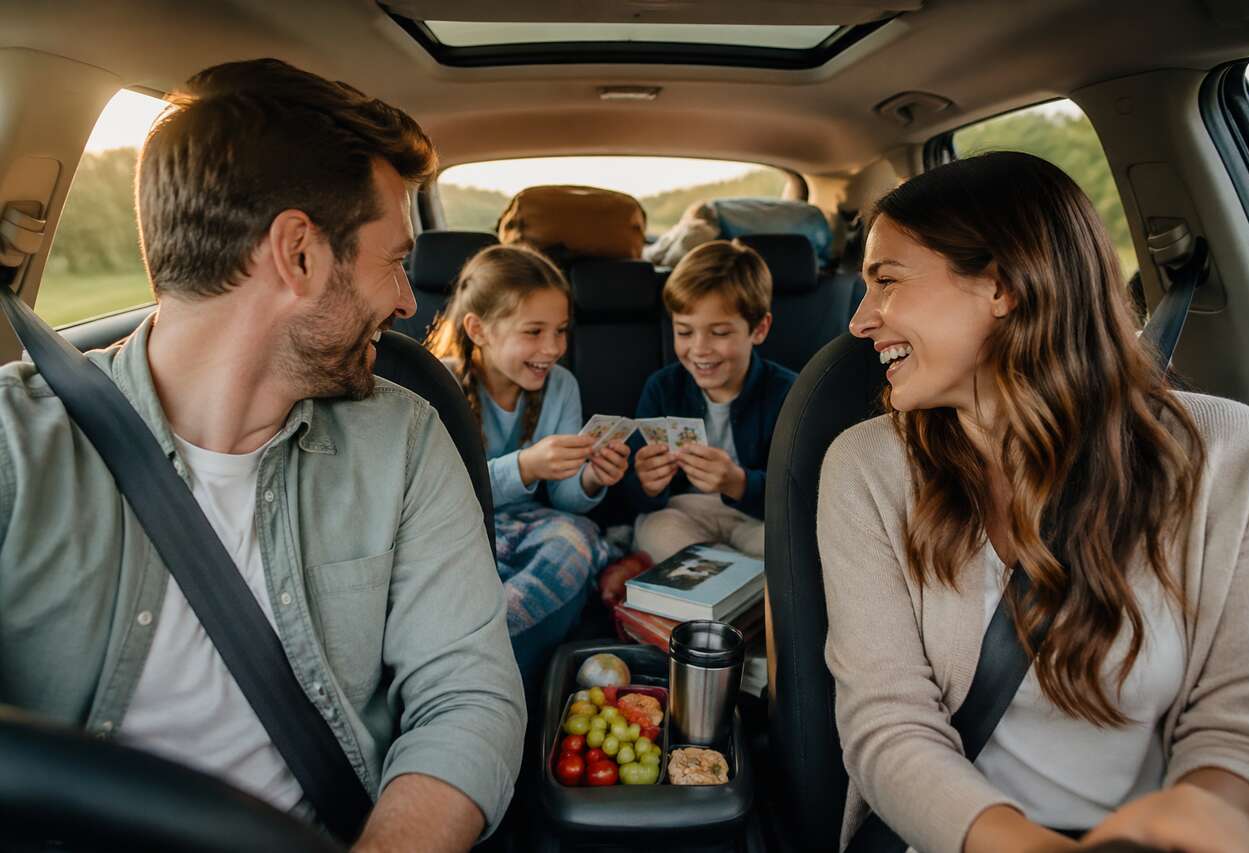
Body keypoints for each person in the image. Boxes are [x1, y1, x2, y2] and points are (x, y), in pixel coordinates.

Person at [0, 59, 525, 852]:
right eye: (393, 260)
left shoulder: (407, 440)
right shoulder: (12, 449)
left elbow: (469, 695)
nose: (408, 302)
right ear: (300, 254)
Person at [818, 151, 1249, 853]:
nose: (860, 322)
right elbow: (888, 722)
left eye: (885, 282)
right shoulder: (866, 467)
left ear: (1001, 285)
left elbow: (1243, 720)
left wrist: (1195, 821)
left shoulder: (1230, 454)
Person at [425, 244, 630, 683]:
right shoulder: (441, 384)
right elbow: (442, 495)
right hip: (461, 528)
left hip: (538, 525)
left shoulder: (560, 387)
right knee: (461, 571)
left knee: (574, 540)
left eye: (560, 331)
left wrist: (591, 478)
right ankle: (475, 668)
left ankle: (492, 660)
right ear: (479, 330)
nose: (553, 348)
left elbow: (566, 501)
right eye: (534, 332)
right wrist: (525, 467)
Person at [623, 240, 797, 563]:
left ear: (759, 329)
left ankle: (718, 575)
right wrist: (647, 484)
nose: (700, 349)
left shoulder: (787, 394)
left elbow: (795, 493)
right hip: (687, 512)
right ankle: (740, 579)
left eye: (718, 333)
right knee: (654, 529)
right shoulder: (662, 389)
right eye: (685, 333)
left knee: (792, 542)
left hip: (758, 517)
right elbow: (635, 496)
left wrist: (738, 483)